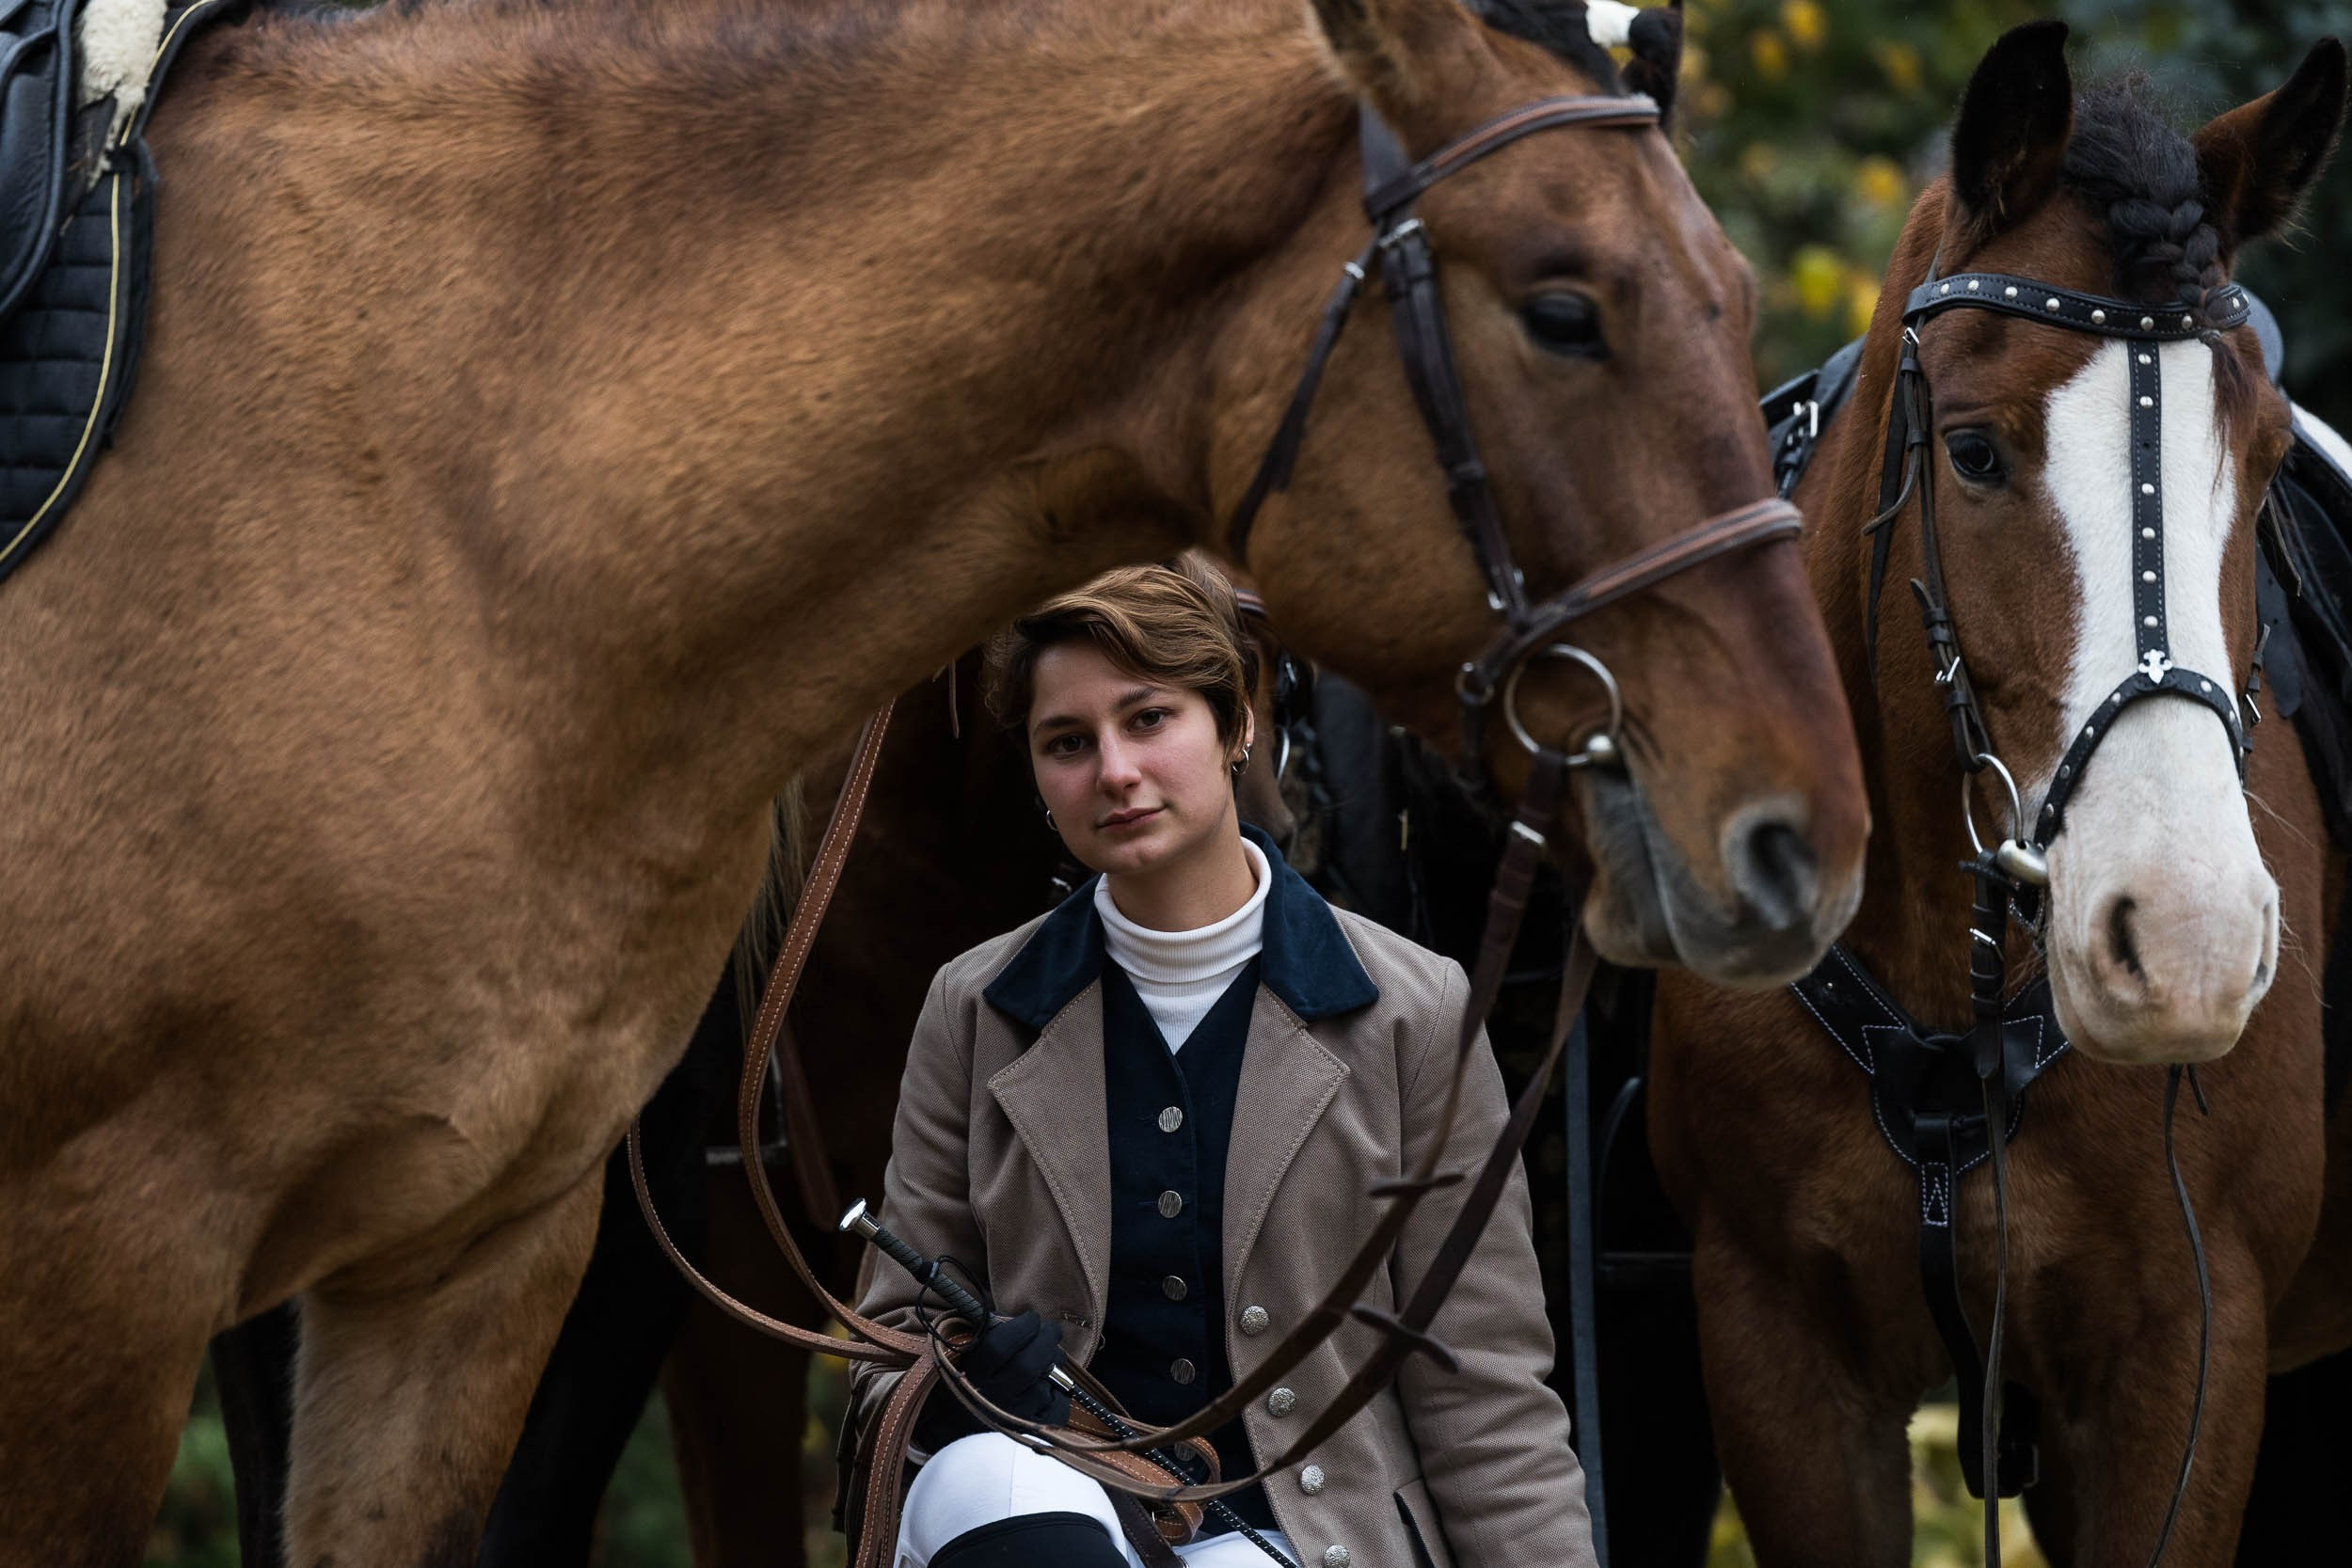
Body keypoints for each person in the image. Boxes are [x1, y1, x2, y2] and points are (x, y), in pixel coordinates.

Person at [846, 561, 1594, 1568]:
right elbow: (885, 1351)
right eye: (1067, 742)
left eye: (1148, 718)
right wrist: (959, 1388)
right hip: (1039, 1517)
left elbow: (1486, 1399)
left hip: (1301, 1543)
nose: (1113, 769)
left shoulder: (1418, 1014)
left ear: (1237, 721)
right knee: (988, 1477)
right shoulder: (972, 1006)